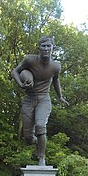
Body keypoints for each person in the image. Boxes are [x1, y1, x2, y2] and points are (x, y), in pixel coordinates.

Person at [11, 36, 68, 166]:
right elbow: (15, 71)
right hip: (29, 99)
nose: (46, 49)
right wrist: (20, 84)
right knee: (28, 138)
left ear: (52, 48)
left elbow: (56, 80)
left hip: (44, 99)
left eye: (49, 46)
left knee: (41, 126)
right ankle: (38, 143)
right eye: (44, 46)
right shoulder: (29, 60)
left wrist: (60, 97)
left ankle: (42, 157)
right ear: (39, 48)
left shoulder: (56, 66)